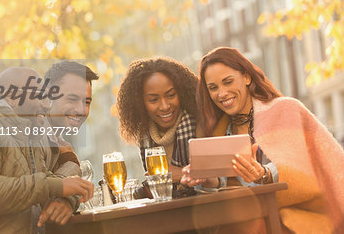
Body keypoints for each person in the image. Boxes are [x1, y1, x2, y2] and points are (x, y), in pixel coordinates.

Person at [181, 47, 344, 233]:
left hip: (297, 219)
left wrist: (264, 174)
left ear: (247, 78)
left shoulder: (285, 109)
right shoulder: (218, 132)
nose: (222, 93)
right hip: (248, 223)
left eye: (228, 82)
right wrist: (207, 180)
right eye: (213, 88)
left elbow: (304, 172)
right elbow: (224, 192)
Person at [0, 67, 94, 233]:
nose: (46, 106)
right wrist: (58, 186)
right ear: (11, 97)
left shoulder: (29, 141)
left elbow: (50, 184)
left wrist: (67, 199)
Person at [116, 57, 199, 183]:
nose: (165, 106)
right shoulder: (145, 136)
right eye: (154, 100)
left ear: (181, 93)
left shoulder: (199, 124)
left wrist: (179, 174)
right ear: (140, 103)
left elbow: (215, 178)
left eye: (171, 95)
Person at [37, 61, 99, 227]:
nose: (81, 110)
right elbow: (34, 199)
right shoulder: (32, 134)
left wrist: (67, 201)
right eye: (72, 99)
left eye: (87, 102)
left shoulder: (59, 145)